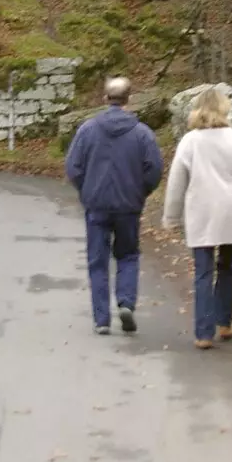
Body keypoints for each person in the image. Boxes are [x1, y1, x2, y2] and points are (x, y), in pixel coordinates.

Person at [163, 87, 232, 349]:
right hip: (230, 211)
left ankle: (203, 332)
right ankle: (224, 323)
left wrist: (171, 216)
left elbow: (177, 182)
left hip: (201, 212)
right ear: (224, 109)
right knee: (227, 266)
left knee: (203, 271)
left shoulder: (190, 141)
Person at [64, 76, 163, 335]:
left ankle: (101, 319)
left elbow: (73, 167)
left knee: (97, 260)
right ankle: (126, 302)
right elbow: (154, 169)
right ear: (129, 99)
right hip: (128, 205)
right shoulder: (142, 134)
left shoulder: (87, 130)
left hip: (96, 204)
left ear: (105, 98)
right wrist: (140, 192)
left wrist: (86, 190)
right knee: (128, 255)